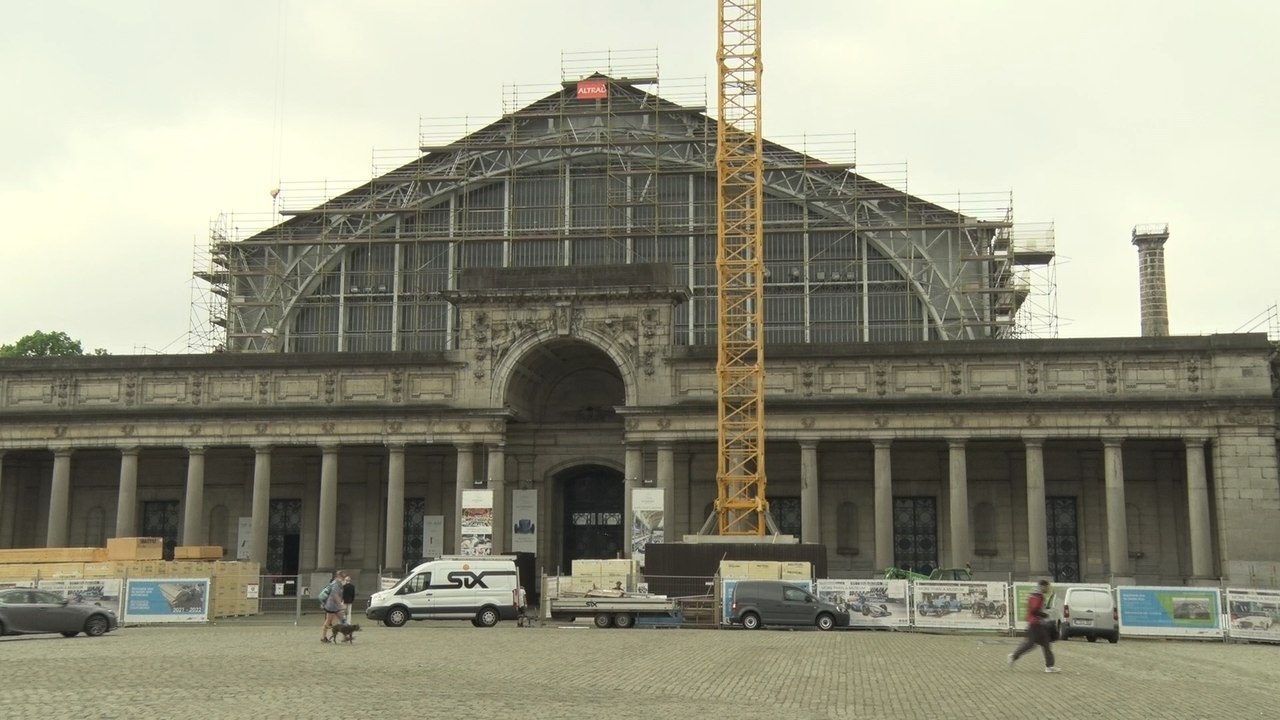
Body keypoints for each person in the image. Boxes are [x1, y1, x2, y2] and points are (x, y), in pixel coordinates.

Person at [1009, 579, 1059, 672]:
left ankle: (1014, 656)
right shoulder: (1038, 596)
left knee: (1038, 643)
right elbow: (1034, 609)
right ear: (1042, 586)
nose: (1048, 589)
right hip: (1036, 624)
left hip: (1035, 623)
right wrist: (1044, 614)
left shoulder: (1035, 595)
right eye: (1047, 587)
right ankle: (1049, 666)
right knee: (1039, 643)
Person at [320, 570, 346, 643]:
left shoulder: (336, 583)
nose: (343, 579)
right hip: (332, 606)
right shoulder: (336, 584)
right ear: (338, 576)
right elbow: (335, 595)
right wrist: (340, 604)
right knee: (330, 620)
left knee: (342, 619)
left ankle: (345, 636)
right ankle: (323, 637)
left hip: (334, 605)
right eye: (342, 577)